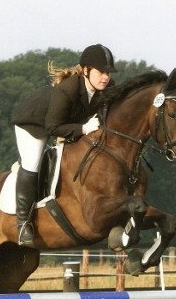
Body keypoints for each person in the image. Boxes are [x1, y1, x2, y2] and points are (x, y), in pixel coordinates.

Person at [10, 43, 117, 246]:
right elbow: (52, 128)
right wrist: (84, 129)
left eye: (108, 73)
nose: (106, 77)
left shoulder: (106, 88)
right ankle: (23, 222)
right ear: (86, 70)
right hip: (34, 125)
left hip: (65, 124)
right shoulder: (67, 89)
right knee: (32, 164)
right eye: (101, 72)